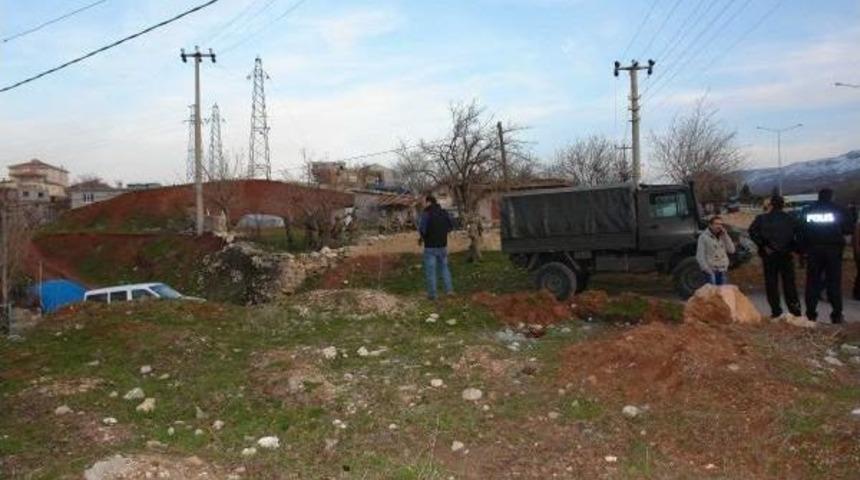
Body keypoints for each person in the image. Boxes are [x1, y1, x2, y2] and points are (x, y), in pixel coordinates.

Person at [799, 188, 853, 323]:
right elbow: (848, 228)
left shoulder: (808, 210)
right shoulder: (839, 209)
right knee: (834, 282)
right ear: (831, 197)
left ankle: (810, 314)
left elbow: (801, 230)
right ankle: (836, 315)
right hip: (833, 250)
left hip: (813, 250)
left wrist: (802, 251)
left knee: (812, 282)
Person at [749, 195, 802, 318]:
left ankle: (776, 311)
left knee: (771, 284)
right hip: (786, 254)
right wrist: (795, 249)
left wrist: (763, 245)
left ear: (771, 205)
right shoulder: (790, 218)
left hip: (769, 255)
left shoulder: (762, 218)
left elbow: (752, 232)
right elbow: (800, 235)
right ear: (783, 205)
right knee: (789, 284)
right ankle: (795, 311)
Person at [418, 195, 454, 300]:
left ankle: (433, 295)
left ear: (428, 202)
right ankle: (449, 290)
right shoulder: (444, 212)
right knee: (444, 268)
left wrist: (422, 238)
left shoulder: (426, 214)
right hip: (443, 246)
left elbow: (422, 229)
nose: (423, 204)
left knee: (431, 271)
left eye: (424, 202)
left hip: (430, 247)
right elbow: (450, 227)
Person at [696, 215, 735, 285]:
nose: (719, 226)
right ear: (710, 225)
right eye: (716, 224)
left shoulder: (723, 236)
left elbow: (731, 250)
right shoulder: (703, 237)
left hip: (723, 270)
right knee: (713, 294)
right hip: (711, 271)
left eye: (721, 224)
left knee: (722, 294)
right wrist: (706, 269)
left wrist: (726, 236)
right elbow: (700, 255)